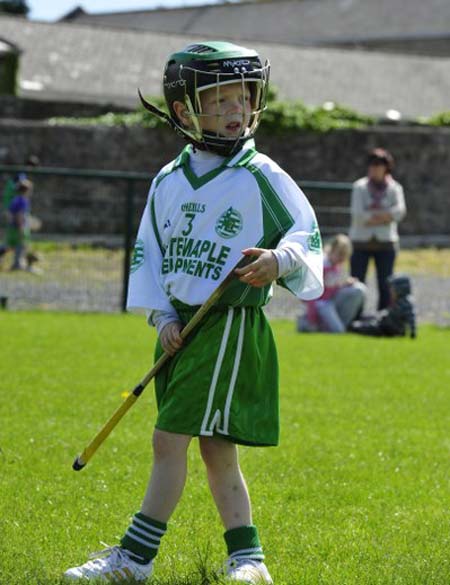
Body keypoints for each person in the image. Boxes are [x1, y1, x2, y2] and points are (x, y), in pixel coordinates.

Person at [64, 41, 324, 584]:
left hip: (227, 323)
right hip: (178, 329)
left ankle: (135, 559)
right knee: (216, 450)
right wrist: (161, 320)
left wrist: (279, 260)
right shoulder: (167, 180)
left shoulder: (263, 175)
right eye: (221, 99)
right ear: (184, 111)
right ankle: (249, 561)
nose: (237, 109)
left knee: (168, 440)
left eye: (244, 97)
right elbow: (150, 258)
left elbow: (308, 234)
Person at [349, 148, 406, 310]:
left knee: (385, 283)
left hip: (386, 242)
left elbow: (400, 212)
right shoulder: (359, 186)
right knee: (357, 283)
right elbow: (358, 214)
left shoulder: (395, 188)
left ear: (386, 168)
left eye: (378, 165)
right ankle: (355, 317)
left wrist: (373, 217)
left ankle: (383, 318)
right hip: (361, 242)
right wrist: (385, 216)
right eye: (372, 165)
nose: (374, 168)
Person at [298, 233, 366, 333]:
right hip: (320, 304)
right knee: (338, 330)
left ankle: (332, 325)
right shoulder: (320, 265)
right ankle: (308, 323)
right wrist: (312, 317)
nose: (341, 259)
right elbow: (311, 295)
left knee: (359, 289)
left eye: (344, 256)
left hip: (329, 302)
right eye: (340, 254)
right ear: (332, 249)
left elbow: (331, 287)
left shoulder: (336, 266)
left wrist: (345, 284)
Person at [349, 274, 417, 338]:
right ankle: (356, 324)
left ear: (401, 290)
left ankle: (353, 327)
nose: (391, 292)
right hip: (385, 324)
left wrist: (413, 333)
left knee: (362, 327)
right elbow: (388, 313)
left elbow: (411, 318)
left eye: (393, 290)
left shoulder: (406, 303)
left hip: (389, 329)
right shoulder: (398, 302)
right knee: (367, 317)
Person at [0, 178, 33, 270]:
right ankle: (17, 264)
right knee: (21, 245)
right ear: (26, 190)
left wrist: (12, 223)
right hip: (18, 227)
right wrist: (21, 227)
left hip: (11, 227)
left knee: (8, 245)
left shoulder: (15, 199)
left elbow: (9, 214)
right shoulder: (23, 201)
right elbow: (19, 215)